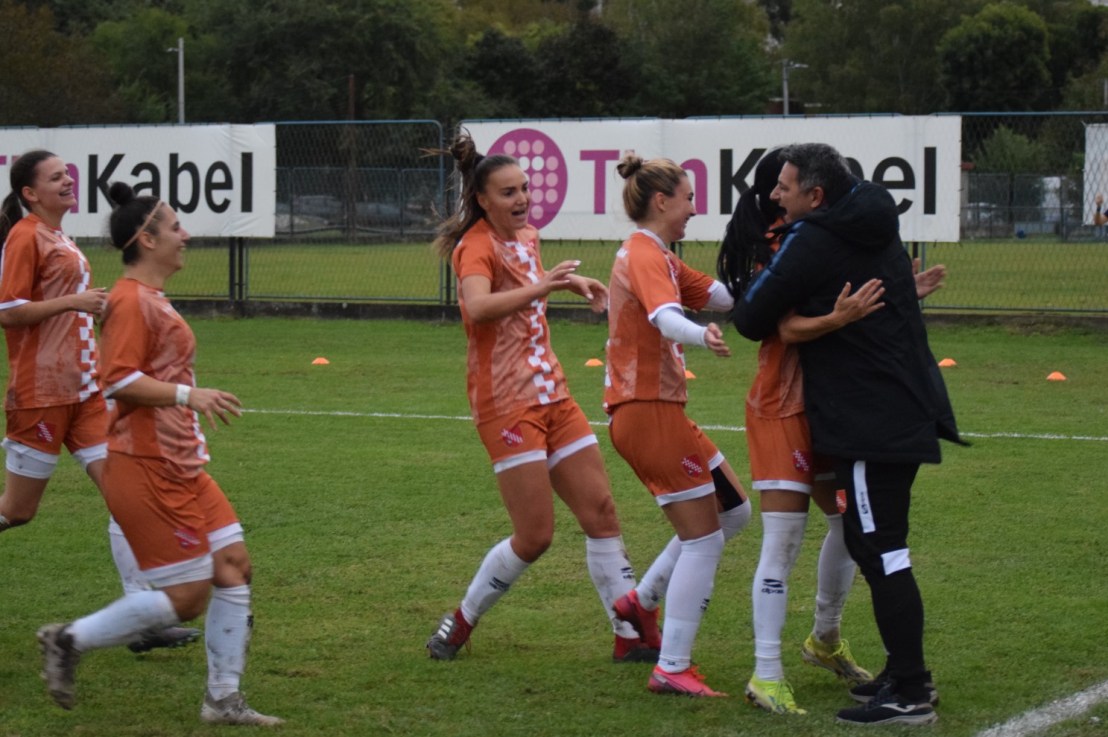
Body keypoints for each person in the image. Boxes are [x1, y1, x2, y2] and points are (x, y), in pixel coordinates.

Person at [732, 143, 964, 726]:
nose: (774, 196)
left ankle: (910, 689)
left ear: (815, 195)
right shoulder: (872, 215)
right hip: (898, 409)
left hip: (872, 422)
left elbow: (751, 318)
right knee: (868, 543)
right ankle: (901, 671)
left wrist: (814, 310)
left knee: (883, 550)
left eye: (785, 187)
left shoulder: (814, 238)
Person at [36, 182, 282, 726]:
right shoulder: (127, 301)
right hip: (145, 464)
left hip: (182, 462)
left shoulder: (149, 298)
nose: (185, 235)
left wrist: (185, 400)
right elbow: (118, 381)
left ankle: (222, 699)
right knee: (190, 594)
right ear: (146, 240)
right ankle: (68, 639)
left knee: (234, 567)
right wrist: (187, 395)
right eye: (175, 227)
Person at [425, 133, 656, 664]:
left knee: (601, 512)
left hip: (553, 394)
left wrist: (568, 285)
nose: (523, 199)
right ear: (483, 200)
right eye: (508, 192)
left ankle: (630, 635)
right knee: (534, 536)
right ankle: (460, 621)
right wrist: (547, 288)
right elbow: (479, 309)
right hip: (506, 403)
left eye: (525, 188)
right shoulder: (475, 246)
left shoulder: (528, 237)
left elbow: (530, 294)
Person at [0, 150, 198, 653]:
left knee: (126, 497)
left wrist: (99, 308)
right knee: (18, 512)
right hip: (42, 395)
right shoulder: (25, 235)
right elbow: (8, 310)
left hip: (85, 391)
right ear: (30, 193)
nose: (67, 181)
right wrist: (76, 302)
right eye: (54, 177)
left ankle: (141, 617)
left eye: (67, 174)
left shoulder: (60, 237)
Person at [604, 152, 752, 697]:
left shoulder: (662, 256)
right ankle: (671, 665)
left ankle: (639, 604)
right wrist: (700, 335)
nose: (695, 207)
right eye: (688, 198)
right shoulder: (644, 254)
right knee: (704, 541)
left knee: (733, 513)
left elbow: (725, 296)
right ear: (662, 201)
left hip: (661, 411)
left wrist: (777, 274)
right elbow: (664, 315)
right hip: (646, 411)